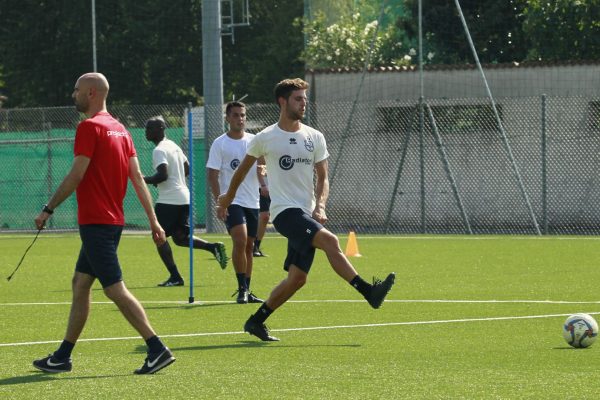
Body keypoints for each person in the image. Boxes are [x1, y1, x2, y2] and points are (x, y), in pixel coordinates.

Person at [217, 78, 396, 341]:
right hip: (284, 213)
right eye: (298, 99)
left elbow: (323, 177)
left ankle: (256, 321)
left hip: (306, 212)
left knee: (297, 279)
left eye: (304, 99)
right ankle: (368, 292)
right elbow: (242, 171)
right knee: (330, 240)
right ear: (283, 101)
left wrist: (320, 205)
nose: (304, 103)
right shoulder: (265, 137)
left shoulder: (315, 137)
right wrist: (227, 198)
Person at [32, 72, 175, 374]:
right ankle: (62, 356)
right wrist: (153, 221)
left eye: (77, 90)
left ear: (92, 93)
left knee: (115, 289)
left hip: (97, 223)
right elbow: (136, 178)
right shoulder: (121, 130)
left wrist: (48, 208)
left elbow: (76, 175)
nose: (73, 95)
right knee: (81, 283)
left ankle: (156, 348)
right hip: (111, 222)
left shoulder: (89, 127)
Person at [143, 116, 228, 287]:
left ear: (160, 129)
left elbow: (163, 174)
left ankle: (175, 277)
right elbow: (187, 168)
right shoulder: (173, 145)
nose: (146, 132)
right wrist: (176, 179)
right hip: (184, 197)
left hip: (169, 201)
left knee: (159, 237)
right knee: (180, 238)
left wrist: (144, 179)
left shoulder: (159, 150)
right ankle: (213, 247)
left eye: (149, 129)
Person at [207, 101, 264, 304]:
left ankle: (248, 289)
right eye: (235, 115)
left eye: (242, 115)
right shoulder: (220, 143)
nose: (240, 119)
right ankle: (241, 289)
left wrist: (264, 181)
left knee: (249, 246)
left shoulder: (254, 141)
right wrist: (220, 202)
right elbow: (212, 175)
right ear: (227, 119)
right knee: (240, 239)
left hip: (253, 201)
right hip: (232, 200)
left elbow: (262, 165)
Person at [253, 173, 270, 257]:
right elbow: (259, 166)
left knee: (265, 217)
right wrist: (262, 184)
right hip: (259, 187)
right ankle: (252, 246)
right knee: (264, 216)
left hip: (275, 187)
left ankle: (256, 246)